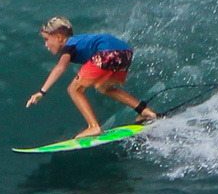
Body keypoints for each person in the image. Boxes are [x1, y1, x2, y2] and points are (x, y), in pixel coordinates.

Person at [25, 17, 158, 138]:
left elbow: (60, 67)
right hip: (125, 53)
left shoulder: (69, 45)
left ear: (59, 37)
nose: (46, 45)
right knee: (104, 87)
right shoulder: (79, 41)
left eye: (46, 39)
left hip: (106, 52)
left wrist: (42, 91)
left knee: (74, 89)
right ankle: (145, 111)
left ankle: (93, 127)